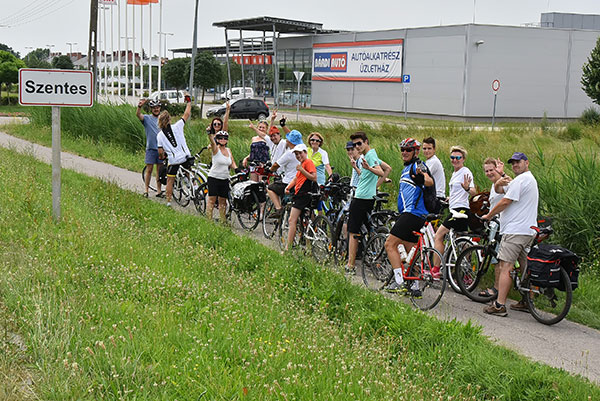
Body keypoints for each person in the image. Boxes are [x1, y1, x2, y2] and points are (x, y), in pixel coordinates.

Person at [482, 152, 539, 317]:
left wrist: (489, 215)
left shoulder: (521, 180)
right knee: (526, 267)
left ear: (526, 163)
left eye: (518, 162)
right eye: (512, 163)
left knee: (506, 266)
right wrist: (500, 177)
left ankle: (499, 305)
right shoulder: (526, 180)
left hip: (515, 231)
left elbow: (505, 201)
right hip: (528, 231)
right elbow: (501, 188)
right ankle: (527, 301)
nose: (515, 165)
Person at [384, 138, 434, 293]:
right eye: (403, 150)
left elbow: (429, 181)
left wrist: (422, 177)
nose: (404, 152)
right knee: (410, 250)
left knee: (389, 244)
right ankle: (414, 286)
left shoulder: (417, 165)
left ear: (416, 152)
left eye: (408, 150)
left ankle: (399, 281)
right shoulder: (406, 169)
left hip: (412, 214)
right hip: (414, 215)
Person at [432, 145, 477, 277]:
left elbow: (473, 192)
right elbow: (457, 192)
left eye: (458, 157)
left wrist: (467, 188)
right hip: (456, 208)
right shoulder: (455, 173)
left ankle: (436, 269)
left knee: (438, 236)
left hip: (460, 210)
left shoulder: (465, 171)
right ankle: (466, 274)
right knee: (462, 241)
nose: (455, 160)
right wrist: (449, 198)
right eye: (452, 157)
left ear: (463, 159)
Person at [346, 131, 386, 274]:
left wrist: (370, 168)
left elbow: (381, 172)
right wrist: (357, 168)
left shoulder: (370, 155)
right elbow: (367, 176)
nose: (357, 147)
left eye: (359, 143)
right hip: (368, 196)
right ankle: (372, 252)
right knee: (367, 228)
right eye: (355, 145)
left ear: (366, 142)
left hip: (361, 197)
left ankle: (350, 265)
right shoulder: (367, 156)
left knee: (353, 231)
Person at [156, 94, 192, 207]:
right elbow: (186, 114)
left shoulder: (160, 136)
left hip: (174, 160)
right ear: (169, 119)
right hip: (186, 156)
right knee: (188, 170)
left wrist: (162, 156)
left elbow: (160, 152)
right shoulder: (178, 126)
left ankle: (168, 201)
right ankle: (192, 185)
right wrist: (189, 102)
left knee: (170, 181)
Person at [284, 143, 317, 251]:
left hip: (303, 195)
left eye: (300, 153)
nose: (298, 156)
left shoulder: (308, 162)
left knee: (291, 220)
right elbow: (296, 178)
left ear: (305, 152)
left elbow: (314, 177)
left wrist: (302, 170)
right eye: (296, 154)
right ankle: (307, 246)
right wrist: (288, 187)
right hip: (301, 194)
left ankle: (288, 247)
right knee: (304, 220)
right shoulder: (302, 164)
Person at [266, 130, 303, 218]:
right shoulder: (304, 150)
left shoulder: (290, 153)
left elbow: (276, 164)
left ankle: (278, 209)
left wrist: (270, 170)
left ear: (290, 141)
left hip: (290, 181)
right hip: (302, 181)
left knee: (270, 188)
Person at [206, 130, 236, 222]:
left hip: (224, 179)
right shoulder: (215, 149)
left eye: (225, 138)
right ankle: (209, 221)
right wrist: (209, 134)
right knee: (212, 200)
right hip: (214, 178)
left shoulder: (228, 150)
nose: (223, 140)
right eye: (220, 138)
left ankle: (223, 221)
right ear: (217, 139)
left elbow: (232, 163)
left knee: (223, 202)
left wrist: (237, 169)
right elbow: (212, 142)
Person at [137, 98, 163, 197]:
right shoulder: (147, 119)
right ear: (151, 109)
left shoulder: (162, 119)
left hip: (161, 149)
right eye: (154, 108)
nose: (156, 109)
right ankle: (146, 190)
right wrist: (139, 106)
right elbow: (138, 115)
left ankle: (159, 191)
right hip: (151, 148)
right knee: (149, 170)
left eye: (157, 107)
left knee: (159, 171)